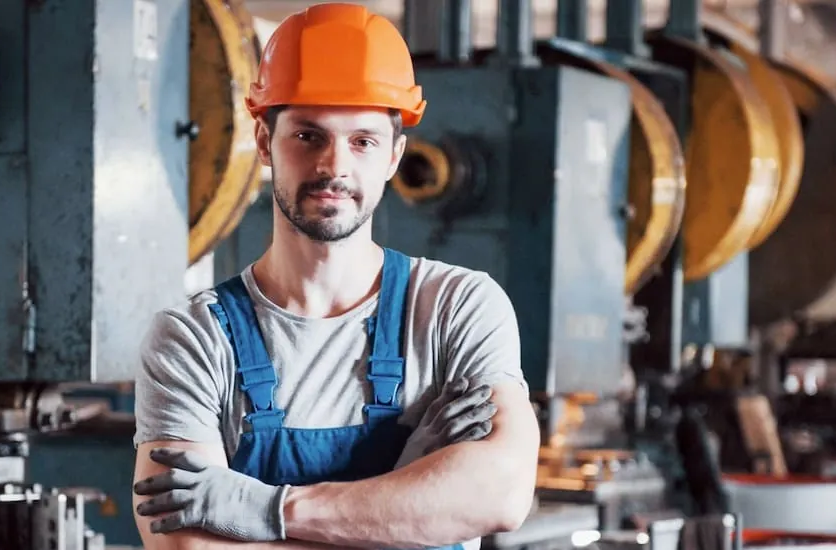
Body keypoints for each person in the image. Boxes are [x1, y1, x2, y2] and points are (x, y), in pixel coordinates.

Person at [131, 3, 541, 549]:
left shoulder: (456, 308)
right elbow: (187, 546)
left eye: (363, 141)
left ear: (394, 156)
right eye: (308, 136)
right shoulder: (193, 338)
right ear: (263, 142)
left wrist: (267, 510)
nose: (334, 166)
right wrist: (409, 501)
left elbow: (501, 495)